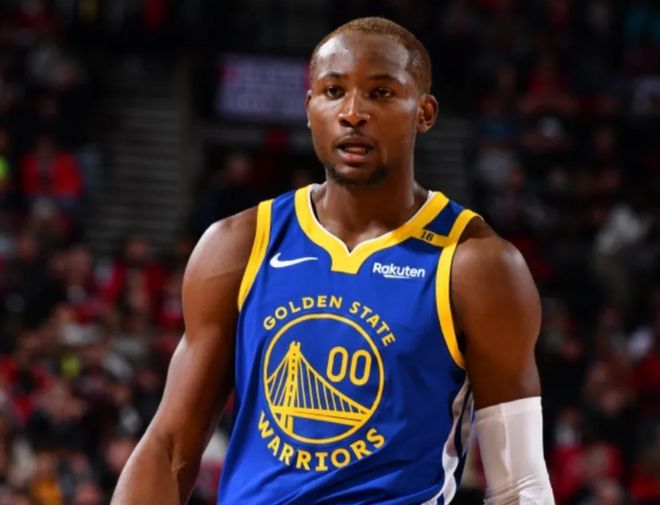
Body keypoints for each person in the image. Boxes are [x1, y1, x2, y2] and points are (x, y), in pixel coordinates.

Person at [111, 17, 554, 504]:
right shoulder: (237, 245)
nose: (353, 113)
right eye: (333, 91)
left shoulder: (478, 264)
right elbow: (169, 449)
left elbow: (519, 486)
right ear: (309, 109)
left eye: (381, 93)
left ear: (424, 112)